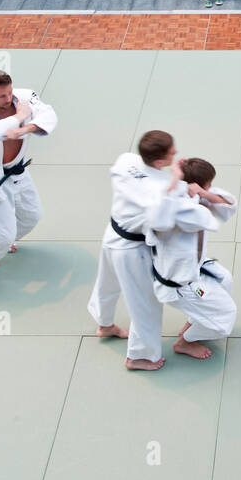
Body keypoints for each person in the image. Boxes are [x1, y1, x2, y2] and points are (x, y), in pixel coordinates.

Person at [87, 130, 181, 370]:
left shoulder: (126, 160)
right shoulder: (161, 186)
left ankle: (105, 324)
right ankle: (140, 357)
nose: (176, 154)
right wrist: (175, 180)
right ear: (159, 161)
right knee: (145, 303)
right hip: (132, 250)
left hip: (112, 234)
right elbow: (162, 219)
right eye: (172, 153)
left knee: (107, 283)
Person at [146, 157, 238, 359]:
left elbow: (229, 205)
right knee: (226, 315)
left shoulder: (189, 197)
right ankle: (185, 341)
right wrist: (194, 193)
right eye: (209, 184)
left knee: (225, 280)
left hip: (194, 267)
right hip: (180, 282)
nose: (212, 188)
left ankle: (195, 319)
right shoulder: (179, 211)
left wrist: (203, 193)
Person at [0, 69, 57, 270]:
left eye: (9, 93)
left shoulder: (23, 97)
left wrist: (25, 128)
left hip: (18, 170)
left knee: (32, 216)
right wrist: (20, 116)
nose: (8, 99)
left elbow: (49, 115)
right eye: (1, 96)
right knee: (4, 234)